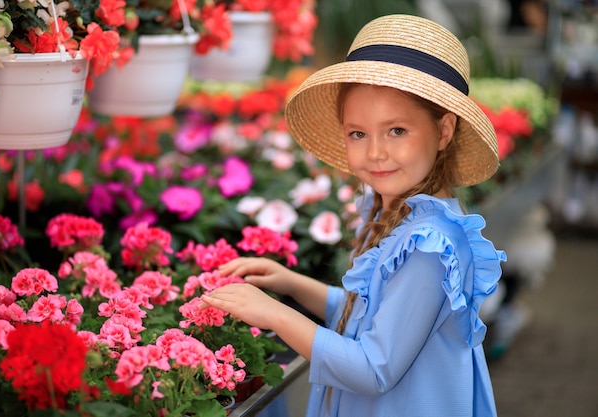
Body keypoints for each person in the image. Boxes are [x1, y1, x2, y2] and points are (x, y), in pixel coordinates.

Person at [200, 14, 506, 417]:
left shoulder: (431, 245)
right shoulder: (404, 211)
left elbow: (373, 369)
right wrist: (292, 283)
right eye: (358, 133)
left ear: (444, 131)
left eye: (396, 130)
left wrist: (276, 313)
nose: (375, 152)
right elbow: (370, 311)